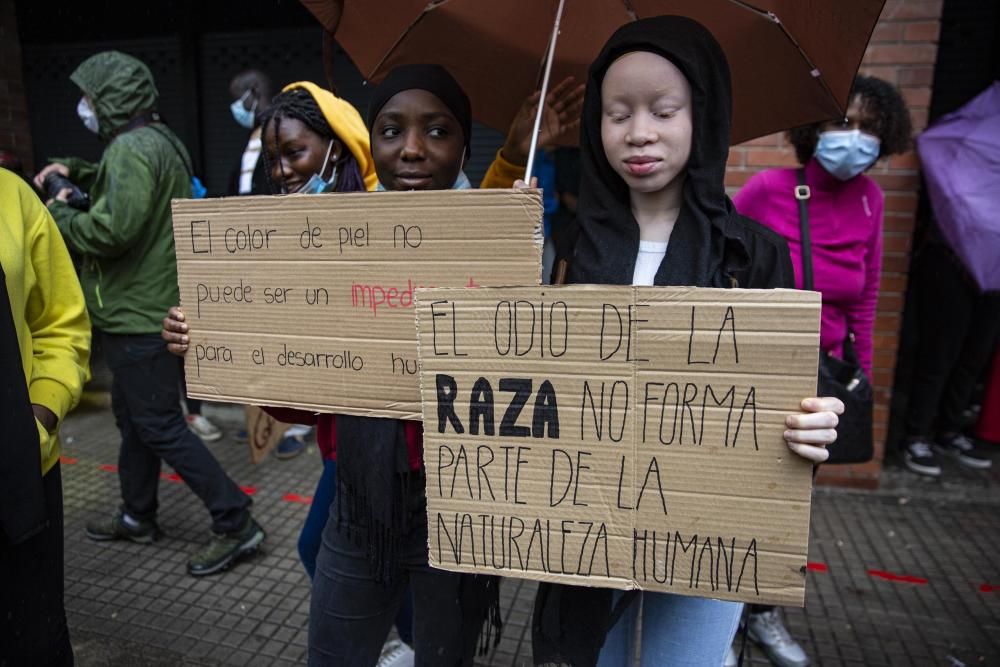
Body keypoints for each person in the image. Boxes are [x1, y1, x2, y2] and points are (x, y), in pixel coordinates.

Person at [525, 17, 844, 667]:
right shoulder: (567, 247)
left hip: (703, 547)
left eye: (663, 110)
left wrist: (812, 423)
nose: (639, 132)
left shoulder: (752, 253)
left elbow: (793, 385)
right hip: (585, 535)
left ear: (705, 115)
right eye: (617, 114)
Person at [34, 50, 264, 577]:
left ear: (113, 99)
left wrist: (60, 215)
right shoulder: (157, 141)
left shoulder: (133, 149)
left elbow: (113, 230)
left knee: (158, 424)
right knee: (135, 422)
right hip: (143, 311)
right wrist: (79, 169)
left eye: (91, 97)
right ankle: (138, 514)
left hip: (141, 315)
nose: (85, 107)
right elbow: (130, 189)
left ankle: (237, 521)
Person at [731, 75, 912, 667]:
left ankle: (761, 616)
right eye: (841, 122)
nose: (852, 137)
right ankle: (723, 622)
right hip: (761, 371)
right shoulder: (767, 188)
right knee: (742, 501)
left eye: (865, 126)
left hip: (823, 379)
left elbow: (866, 294)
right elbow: (720, 266)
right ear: (814, 129)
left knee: (792, 506)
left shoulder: (871, 201)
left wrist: (860, 367)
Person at [1, 168, 90, 665]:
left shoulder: (12, 196)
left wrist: (40, 417)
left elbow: (61, 322)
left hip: (20, 468)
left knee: (32, 639)